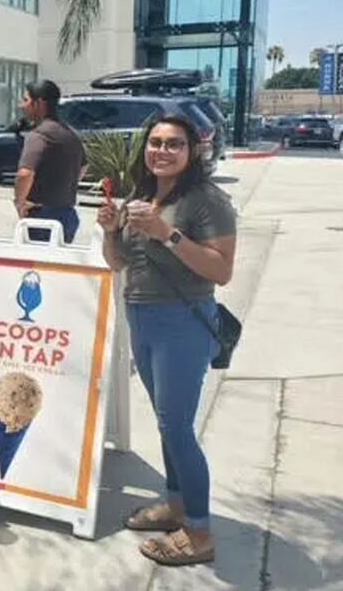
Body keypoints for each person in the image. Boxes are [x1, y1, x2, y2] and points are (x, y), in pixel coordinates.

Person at [97, 115, 236, 567]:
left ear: (192, 151)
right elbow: (117, 264)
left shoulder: (207, 202)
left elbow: (221, 270)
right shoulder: (142, 196)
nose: (161, 150)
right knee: (165, 423)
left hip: (183, 323)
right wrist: (109, 230)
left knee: (177, 428)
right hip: (143, 317)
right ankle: (177, 503)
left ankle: (198, 532)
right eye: (155, 142)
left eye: (173, 144)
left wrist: (168, 234)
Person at [14, 79, 86, 243]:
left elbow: (25, 173)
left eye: (26, 100)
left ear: (38, 103)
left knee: (36, 266)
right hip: (67, 215)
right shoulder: (70, 134)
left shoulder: (39, 134)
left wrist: (20, 202)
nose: (21, 105)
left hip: (41, 218)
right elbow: (83, 167)